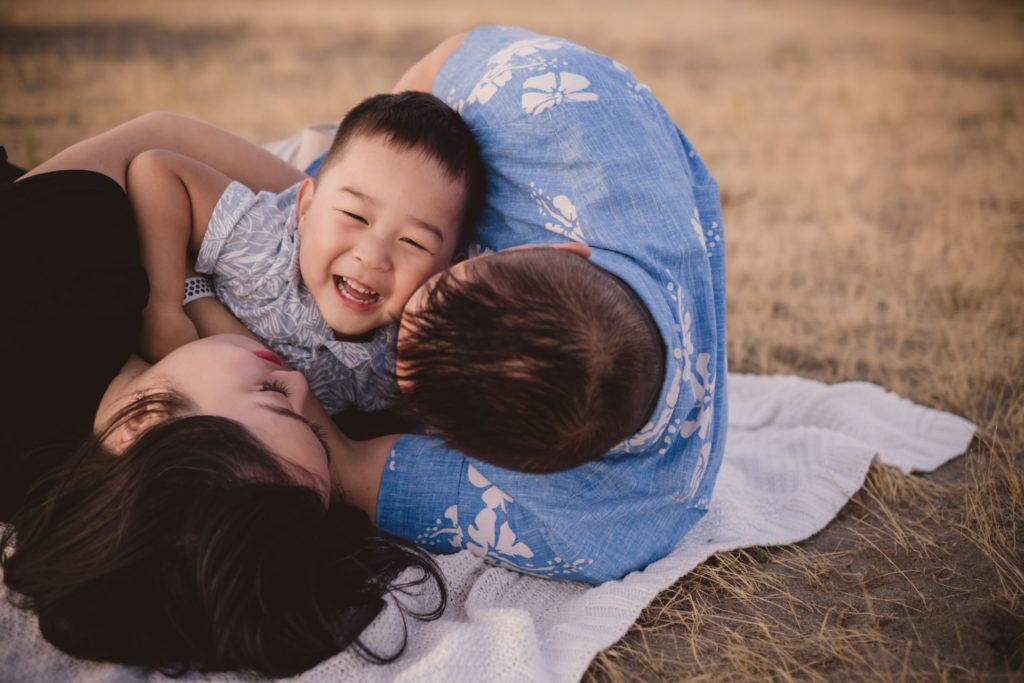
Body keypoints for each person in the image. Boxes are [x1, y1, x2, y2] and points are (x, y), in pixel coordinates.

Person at [0, 119, 447, 676]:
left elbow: (166, 137)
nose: (302, 388)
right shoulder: (206, 463)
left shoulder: (57, 277)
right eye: (316, 433)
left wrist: (338, 216)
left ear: (140, 421)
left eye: (270, 393)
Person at [343, 26, 730, 582]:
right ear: (555, 246)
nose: (399, 302)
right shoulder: (562, 111)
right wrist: (367, 185)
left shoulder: (583, 527)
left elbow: (346, 468)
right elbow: (444, 62)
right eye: (441, 286)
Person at [127, 91, 486, 413]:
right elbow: (157, 170)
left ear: (450, 272)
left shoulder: (408, 352)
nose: (374, 256)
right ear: (306, 207)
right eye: (355, 215)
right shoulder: (264, 243)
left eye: (413, 242)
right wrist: (162, 307)